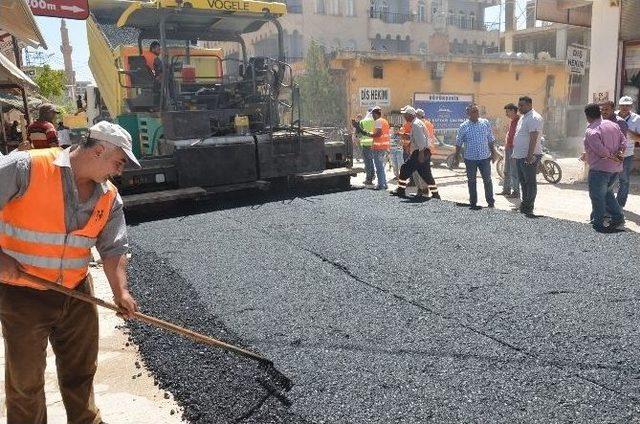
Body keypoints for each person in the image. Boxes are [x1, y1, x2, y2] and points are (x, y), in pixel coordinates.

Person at [0, 121, 141, 423]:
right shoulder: (26, 167)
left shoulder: (108, 197)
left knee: (81, 373)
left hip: (76, 293)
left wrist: (121, 292)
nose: (119, 171)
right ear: (99, 150)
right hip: (24, 294)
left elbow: (113, 248)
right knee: (26, 383)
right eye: (118, 163)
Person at [581, 103, 626, 232]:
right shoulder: (613, 125)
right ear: (599, 113)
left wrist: (611, 156)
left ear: (587, 116)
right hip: (615, 168)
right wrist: (619, 154)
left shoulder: (591, 130)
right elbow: (623, 141)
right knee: (607, 194)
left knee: (597, 197)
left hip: (600, 169)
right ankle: (618, 218)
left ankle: (599, 223)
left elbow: (600, 150)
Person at [454, 104, 497, 209]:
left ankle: (490, 202)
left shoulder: (485, 123)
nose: (476, 113)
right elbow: (458, 142)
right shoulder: (464, 126)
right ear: (468, 113)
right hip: (470, 159)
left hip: (484, 158)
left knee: (487, 180)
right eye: (473, 111)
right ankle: (473, 202)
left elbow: (490, 139)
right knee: (471, 181)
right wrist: (456, 156)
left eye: (477, 111)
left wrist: (494, 152)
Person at [392, 106, 440, 199]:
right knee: (426, 174)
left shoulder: (415, 124)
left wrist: (421, 154)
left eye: (405, 115)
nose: (404, 117)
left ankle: (400, 190)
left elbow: (421, 140)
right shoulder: (417, 123)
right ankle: (435, 194)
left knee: (404, 168)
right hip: (424, 151)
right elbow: (414, 137)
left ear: (410, 115)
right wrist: (404, 136)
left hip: (420, 152)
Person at [512, 96, 543, 215]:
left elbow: (534, 138)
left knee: (530, 182)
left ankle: (528, 207)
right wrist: (515, 154)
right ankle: (525, 205)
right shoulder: (523, 118)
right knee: (523, 182)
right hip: (520, 156)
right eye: (519, 105)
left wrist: (530, 156)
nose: (519, 107)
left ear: (530, 105)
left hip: (529, 156)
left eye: (522, 105)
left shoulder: (534, 118)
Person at [615, 96, 639, 208]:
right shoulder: (612, 115)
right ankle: (608, 204)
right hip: (611, 154)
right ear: (619, 105)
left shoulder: (637, 119)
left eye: (627, 105)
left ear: (631, 106)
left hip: (627, 154)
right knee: (607, 179)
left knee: (624, 181)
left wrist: (626, 129)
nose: (625, 107)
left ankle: (619, 205)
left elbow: (639, 138)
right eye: (623, 105)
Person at [498, 103, 520, 198]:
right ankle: (506, 190)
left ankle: (516, 192)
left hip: (515, 149)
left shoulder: (519, 121)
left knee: (514, 172)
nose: (506, 113)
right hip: (508, 148)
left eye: (507, 111)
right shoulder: (512, 121)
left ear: (512, 111)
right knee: (506, 170)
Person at [366, 106, 390, 190]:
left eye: (372, 114)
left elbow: (378, 134)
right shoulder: (385, 121)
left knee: (379, 167)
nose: (372, 116)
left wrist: (369, 134)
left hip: (378, 148)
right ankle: (384, 183)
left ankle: (381, 185)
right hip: (384, 147)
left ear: (375, 114)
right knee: (381, 167)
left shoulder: (378, 121)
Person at [358, 110, 376, 185]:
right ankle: (372, 175)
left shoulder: (362, 122)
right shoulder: (375, 121)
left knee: (367, 162)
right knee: (371, 161)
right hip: (373, 144)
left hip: (365, 145)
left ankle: (369, 178)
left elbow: (359, 134)